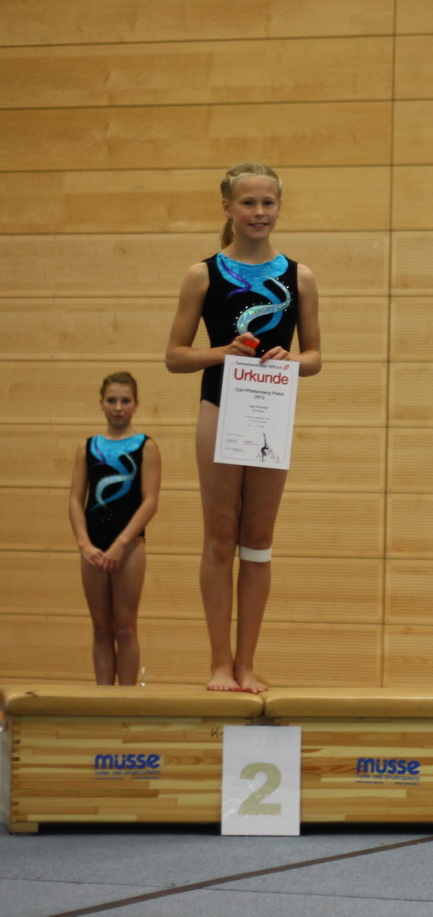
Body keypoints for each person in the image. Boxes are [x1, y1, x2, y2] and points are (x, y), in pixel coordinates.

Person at [165, 162, 322, 693]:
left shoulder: (299, 277)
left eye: (267, 203)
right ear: (228, 208)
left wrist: (291, 360)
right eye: (248, 203)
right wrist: (223, 352)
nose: (259, 212)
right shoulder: (203, 274)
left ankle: (247, 663)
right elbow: (175, 356)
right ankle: (219, 663)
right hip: (219, 408)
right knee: (219, 538)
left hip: (270, 411)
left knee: (257, 539)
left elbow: (315, 356)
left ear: (279, 207)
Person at [67, 372, 160, 685]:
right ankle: (103, 698)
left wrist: (122, 543)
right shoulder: (88, 447)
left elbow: (149, 502)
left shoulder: (146, 446)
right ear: (101, 403)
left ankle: (127, 700)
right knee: (101, 627)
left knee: (124, 626)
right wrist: (84, 543)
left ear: (136, 404)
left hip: (129, 546)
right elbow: (75, 499)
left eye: (125, 401)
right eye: (112, 400)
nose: (118, 407)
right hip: (93, 546)